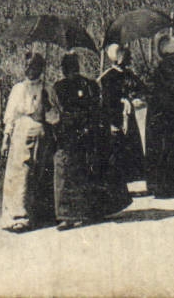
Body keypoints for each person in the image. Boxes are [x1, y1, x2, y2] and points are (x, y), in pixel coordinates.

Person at [50, 53, 129, 229]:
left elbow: (96, 107)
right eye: (69, 68)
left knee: (89, 168)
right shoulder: (58, 88)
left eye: (73, 67)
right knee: (66, 169)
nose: (71, 71)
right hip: (70, 133)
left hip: (87, 131)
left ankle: (89, 211)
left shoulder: (87, 84)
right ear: (64, 69)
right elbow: (58, 111)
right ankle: (68, 215)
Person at [1, 53, 55, 232]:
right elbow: (11, 116)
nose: (30, 71)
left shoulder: (47, 88)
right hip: (21, 133)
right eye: (27, 67)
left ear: (41, 69)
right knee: (20, 173)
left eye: (34, 67)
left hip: (41, 132)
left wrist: (47, 106)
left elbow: (55, 117)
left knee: (40, 172)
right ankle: (19, 215)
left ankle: (40, 214)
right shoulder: (18, 89)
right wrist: (6, 138)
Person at [143, 36, 174, 197]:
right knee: (172, 145)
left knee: (163, 146)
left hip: (163, 110)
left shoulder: (166, 65)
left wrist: (152, 87)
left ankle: (164, 186)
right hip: (170, 108)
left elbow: (167, 88)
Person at [98, 43, 145, 186]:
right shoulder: (107, 77)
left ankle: (131, 179)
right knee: (118, 149)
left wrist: (136, 98)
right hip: (116, 117)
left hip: (128, 116)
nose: (129, 60)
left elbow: (141, 88)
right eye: (126, 57)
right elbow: (107, 102)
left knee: (131, 147)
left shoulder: (128, 74)